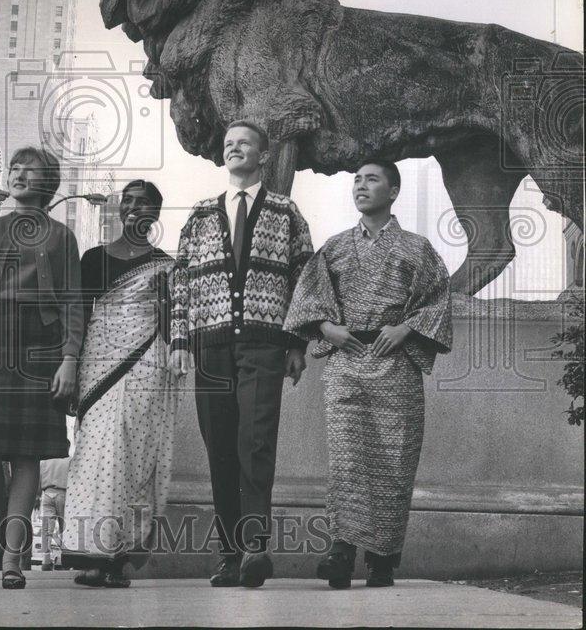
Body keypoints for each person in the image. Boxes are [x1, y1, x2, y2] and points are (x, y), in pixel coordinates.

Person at [284, 159, 452, 589]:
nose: (360, 186)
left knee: (394, 462)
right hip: (346, 363)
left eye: (371, 179)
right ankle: (341, 552)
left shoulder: (417, 248)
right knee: (346, 461)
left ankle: (382, 559)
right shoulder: (335, 247)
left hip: (395, 362)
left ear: (393, 191)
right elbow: (307, 299)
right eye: (356, 180)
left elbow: (436, 300)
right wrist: (326, 329)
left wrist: (406, 328)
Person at [171, 120, 314, 588]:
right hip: (209, 344)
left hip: (264, 343)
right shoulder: (198, 213)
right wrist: (178, 343)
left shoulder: (286, 212)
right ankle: (229, 556)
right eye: (228, 143)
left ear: (263, 154)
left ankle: (255, 546)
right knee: (220, 450)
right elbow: (180, 283)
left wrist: (296, 343)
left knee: (255, 443)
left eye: (244, 143)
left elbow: (304, 282)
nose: (235, 148)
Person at [0, 146, 83, 590]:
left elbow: (71, 300)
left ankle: (12, 556)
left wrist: (70, 358)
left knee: (26, 454)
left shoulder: (62, 237)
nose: (17, 174)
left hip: (41, 344)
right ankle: (0, 530)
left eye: (28, 170)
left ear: (47, 182)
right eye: (14, 167)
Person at [62, 180, 186, 588]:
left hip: (146, 366)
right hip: (99, 363)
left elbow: (171, 325)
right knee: (94, 452)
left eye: (143, 203)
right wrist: (71, 366)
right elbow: (79, 315)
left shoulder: (167, 265)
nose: (133, 208)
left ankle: (117, 557)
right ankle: (92, 552)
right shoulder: (94, 258)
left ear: (155, 213)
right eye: (127, 202)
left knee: (132, 456)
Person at [38, 457, 68, 572]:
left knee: (46, 530)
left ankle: (46, 560)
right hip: (63, 493)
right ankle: (62, 558)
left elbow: (39, 479)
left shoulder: (44, 461)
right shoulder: (69, 461)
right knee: (63, 528)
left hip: (47, 493)